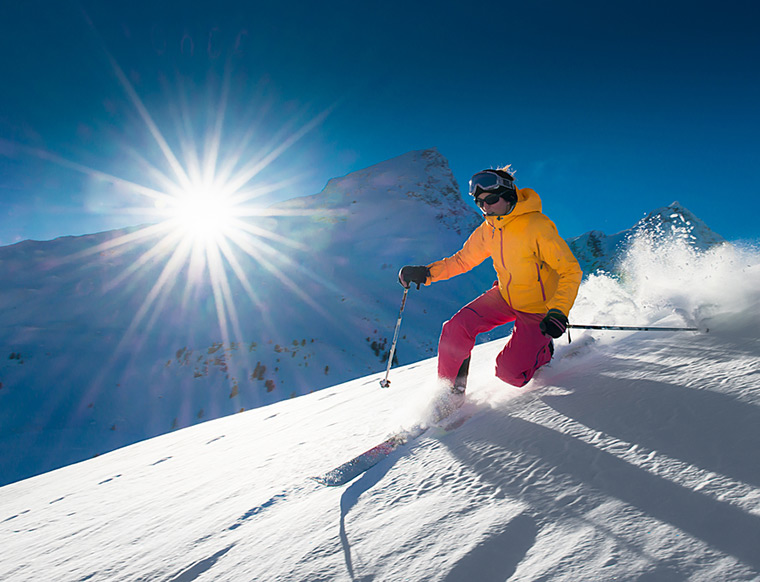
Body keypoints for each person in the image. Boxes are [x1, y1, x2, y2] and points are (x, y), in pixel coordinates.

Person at [399, 167, 582, 410]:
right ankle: (450, 395)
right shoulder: (488, 229)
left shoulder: (536, 226)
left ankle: (543, 349)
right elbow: (463, 260)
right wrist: (427, 273)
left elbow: (570, 270)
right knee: (455, 329)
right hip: (505, 296)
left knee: (510, 375)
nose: (485, 207)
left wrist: (558, 311)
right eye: (479, 202)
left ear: (509, 195)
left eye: (492, 200)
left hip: (538, 308)